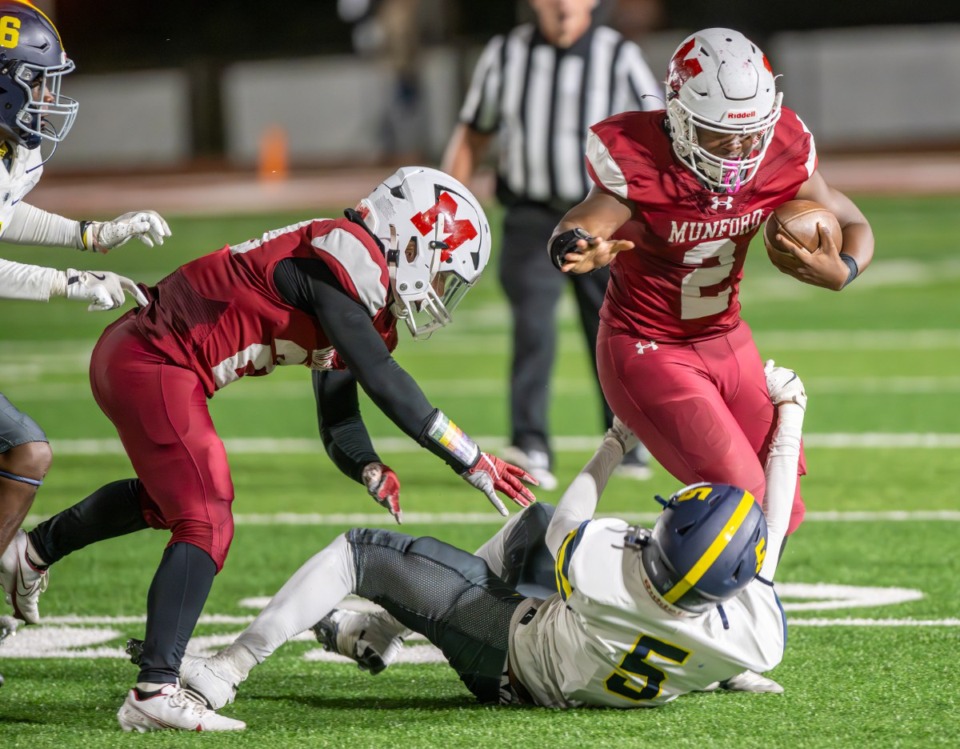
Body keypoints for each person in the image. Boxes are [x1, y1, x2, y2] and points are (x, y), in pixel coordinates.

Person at [15, 166, 536, 730]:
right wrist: (470, 457)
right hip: (153, 361)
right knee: (207, 517)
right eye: (440, 271)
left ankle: (31, 553)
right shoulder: (342, 256)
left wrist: (366, 466)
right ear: (409, 239)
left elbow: (338, 416)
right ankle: (154, 692)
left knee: (174, 501)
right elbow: (384, 381)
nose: (437, 290)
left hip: (146, 359)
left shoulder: (353, 288)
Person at [174, 362, 805, 716]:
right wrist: (791, 410)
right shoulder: (758, 633)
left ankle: (228, 670)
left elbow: (569, 523)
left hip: (505, 654)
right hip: (624, 658)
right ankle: (720, 672)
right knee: (532, 526)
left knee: (359, 552)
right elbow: (773, 523)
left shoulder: (610, 572)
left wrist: (614, 442)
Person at [548, 27, 874, 552]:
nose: (741, 149)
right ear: (678, 118)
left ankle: (733, 610)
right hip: (646, 345)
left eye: (752, 133)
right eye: (720, 133)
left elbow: (855, 222)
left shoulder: (780, 150)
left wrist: (847, 269)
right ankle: (662, 598)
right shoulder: (642, 156)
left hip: (726, 337)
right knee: (741, 495)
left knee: (782, 507)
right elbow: (583, 220)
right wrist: (580, 244)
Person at [0, 0, 170, 683]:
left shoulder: (13, 146)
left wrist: (91, 236)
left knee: (27, 449)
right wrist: (70, 283)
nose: (50, 98)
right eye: (39, 82)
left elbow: (6, 212)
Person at [441, 0, 662, 489]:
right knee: (533, 322)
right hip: (532, 215)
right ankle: (530, 440)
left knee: (614, 324)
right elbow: (474, 133)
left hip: (602, 216)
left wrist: (649, 211)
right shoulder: (504, 54)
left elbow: (659, 133)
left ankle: (627, 433)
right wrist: (446, 208)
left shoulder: (617, 54)